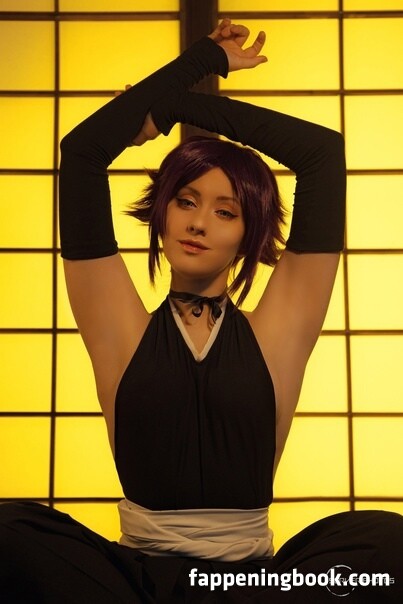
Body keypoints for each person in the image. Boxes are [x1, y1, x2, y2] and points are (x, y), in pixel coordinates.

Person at [1, 19, 402, 604]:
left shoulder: (278, 329)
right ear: (161, 213)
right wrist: (201, 59)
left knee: (386, 545)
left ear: (248, 233)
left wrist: (174, 107)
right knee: (9, 533)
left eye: (225, 211)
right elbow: (82, 154)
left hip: (251, 585)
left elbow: (322, 154)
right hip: (135, 582)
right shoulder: (120, 325)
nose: (197, 222)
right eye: (185, 201)